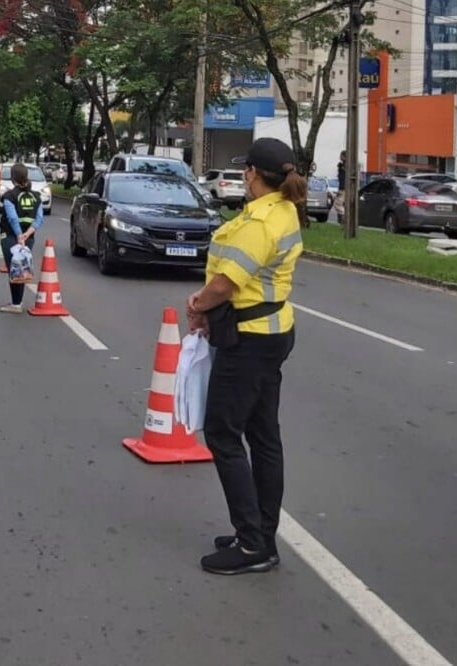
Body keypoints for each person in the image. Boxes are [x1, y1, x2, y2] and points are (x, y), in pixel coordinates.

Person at [184, 137, 305, 576]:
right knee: (263, 436)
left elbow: (227, 283)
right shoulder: (283, 210)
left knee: (222, 432)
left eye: (246, 171)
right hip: (272, 332)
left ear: (252, 173)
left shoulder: (259, 223)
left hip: (249, 338)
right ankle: (261, 535)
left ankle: (253, 543)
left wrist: (197, 305)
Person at [0, 163, 45, 313]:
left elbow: (12, 218)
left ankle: (16, 304)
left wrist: (19, 236)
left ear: (13, 178)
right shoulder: (36, 196)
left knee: (14, 270)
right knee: (22, 269)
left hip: (11, 237)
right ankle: (17, 302)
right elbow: (39, 218)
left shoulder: (9, 196)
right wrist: (28, 233)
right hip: (29, 237)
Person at [335, 150, 346, 225]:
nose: (339, 157)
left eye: (341, 155)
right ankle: (342, 219)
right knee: (341, 204)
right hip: (345, 188)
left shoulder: (343, 167)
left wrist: (340, 189)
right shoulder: (343, 165)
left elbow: (342, 178)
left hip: (343, 188)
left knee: (338, 204)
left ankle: (343, 218)